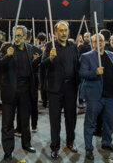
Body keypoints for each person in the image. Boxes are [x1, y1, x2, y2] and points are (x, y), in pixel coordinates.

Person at [80, 33, 113, 160]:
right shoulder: (86, 56)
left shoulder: (111, 55)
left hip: (110, 97)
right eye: (95, 41)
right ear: (92, 44)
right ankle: (88, 148)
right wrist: (95, 72)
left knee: (109, 122)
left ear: (105, 42)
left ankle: (107, 143)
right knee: (90, 123)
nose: (99, 43)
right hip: (94, 97)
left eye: (101, 41)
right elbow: (82, 73)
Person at [0, 25, 40, 162]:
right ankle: (8, 151)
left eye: (19, 36)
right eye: (15, 35)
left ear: (25, 37)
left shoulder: (30, 48)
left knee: (25, 121)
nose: (16, 38)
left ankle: (26, 144)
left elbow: (32, 67)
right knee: (7, 123)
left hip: (25, 91)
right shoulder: (6, 48)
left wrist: (38, 60)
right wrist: (7, 56)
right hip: (9, 91)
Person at [41, 21, 80, 159]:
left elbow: (77, 65)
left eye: (65, 30)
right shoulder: (50, 46)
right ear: (55, 33)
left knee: (71, 118)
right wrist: (50, 58)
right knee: (55, 120)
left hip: (70, 87)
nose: (63, 33)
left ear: (68, 31)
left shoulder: (73, 46)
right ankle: (55, 147)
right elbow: (42, 65)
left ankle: (70, 141)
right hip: (55, 89)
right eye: (60, 31)